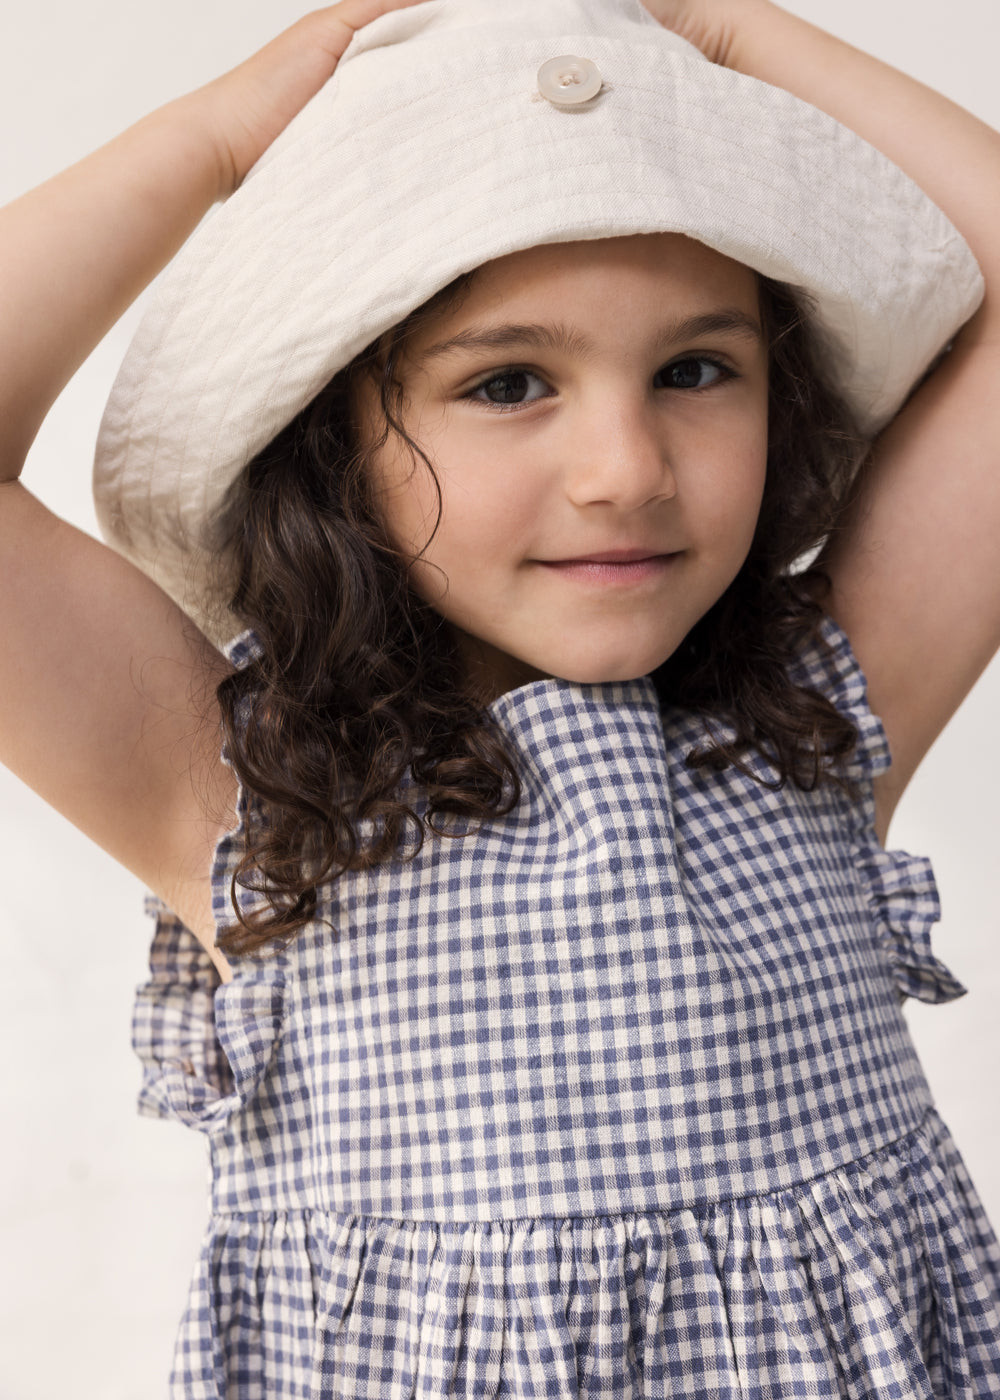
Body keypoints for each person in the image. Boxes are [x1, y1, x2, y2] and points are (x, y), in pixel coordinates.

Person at [2, 0, 999, 1392]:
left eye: (696, 369)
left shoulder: (816, 722)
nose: (626, 468)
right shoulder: (254, 807)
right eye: (512, 381)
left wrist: (714, 37)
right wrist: (218, 139)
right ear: (333, 440)